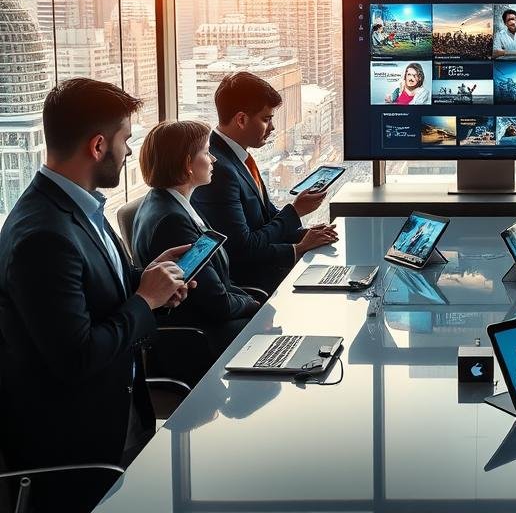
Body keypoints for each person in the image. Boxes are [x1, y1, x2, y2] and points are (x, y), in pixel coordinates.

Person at [0, 79, 194, 512]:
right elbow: (77, 357)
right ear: (98, 146)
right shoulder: (43, 236)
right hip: (79, 454)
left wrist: (151, 283)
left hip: (119, 419)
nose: (129, 151)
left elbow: (101, 291)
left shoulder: (81, 206)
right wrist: (144, 300)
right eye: (125, 139)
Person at [192, 72, 337, 294]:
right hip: (256, 287)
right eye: (266, 119)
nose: (272, 128)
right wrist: (296, 223)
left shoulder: (238, 157)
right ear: (241, 119)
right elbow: (243, 250)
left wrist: (305, 233)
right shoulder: (217, 169)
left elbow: (265, 218)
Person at [133, 120, 260, 356]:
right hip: (201, 337)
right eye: (207, 152)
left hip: (208, 322)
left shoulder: (170, 203)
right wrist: (255, 304)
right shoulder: (173, 222)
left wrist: (252, 300)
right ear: (187, 164)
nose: (214, 159)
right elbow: (216, 303)